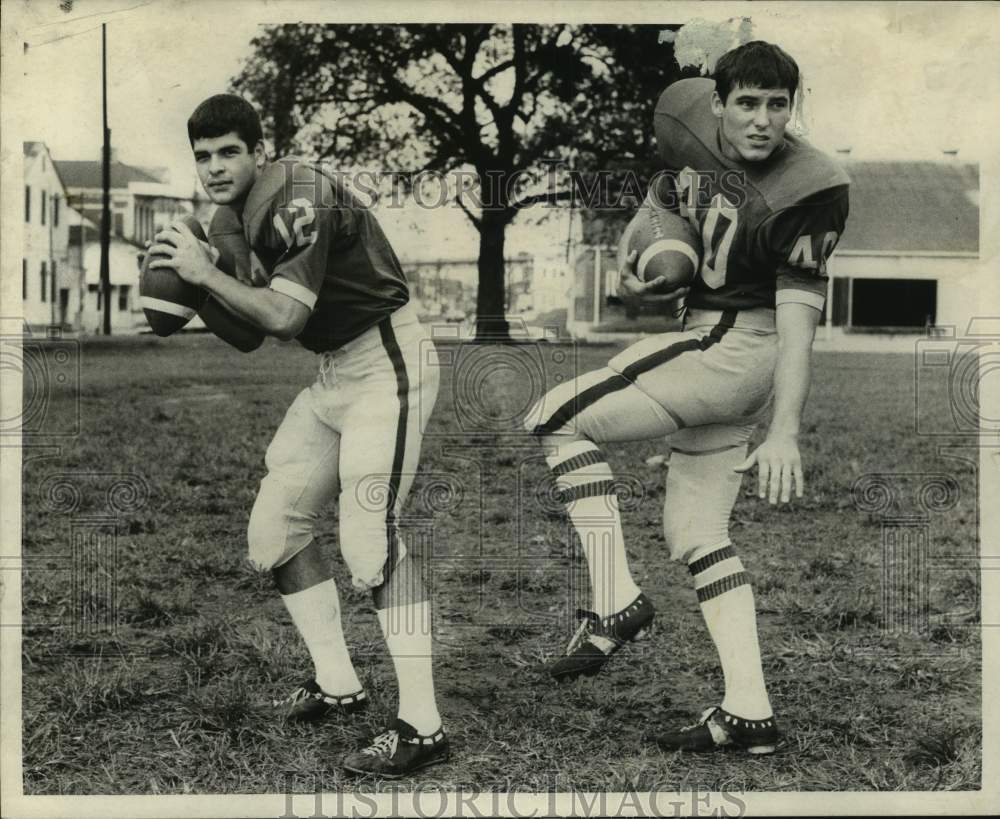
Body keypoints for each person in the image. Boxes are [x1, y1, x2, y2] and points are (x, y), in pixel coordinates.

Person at [527, 41, 849, 754]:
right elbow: (664, 208)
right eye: (747, 104)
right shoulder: (692, 132)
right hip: (716, 346)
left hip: (732, 348)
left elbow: (798, 327)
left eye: (777, 105)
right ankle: (749, 712)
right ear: (719, 106)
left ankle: (614, 600)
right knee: (699, 535)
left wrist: (785, 429)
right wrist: (641, 263)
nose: (763, 120)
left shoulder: (811, 185)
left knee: (553, 417)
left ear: (792, 109)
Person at [147, 94, 449, 777]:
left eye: (229, 151)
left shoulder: (296, 191)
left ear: (260, 149)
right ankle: (340, 682)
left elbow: (284, 315)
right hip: (336, 372)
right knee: (274, 530)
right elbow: (250, 335)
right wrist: (195, 296)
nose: (216, 167)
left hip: (387, 362)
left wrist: (202, 274)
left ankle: (425, 726)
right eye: (203, 156)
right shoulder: (229, 218)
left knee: (369, 539)